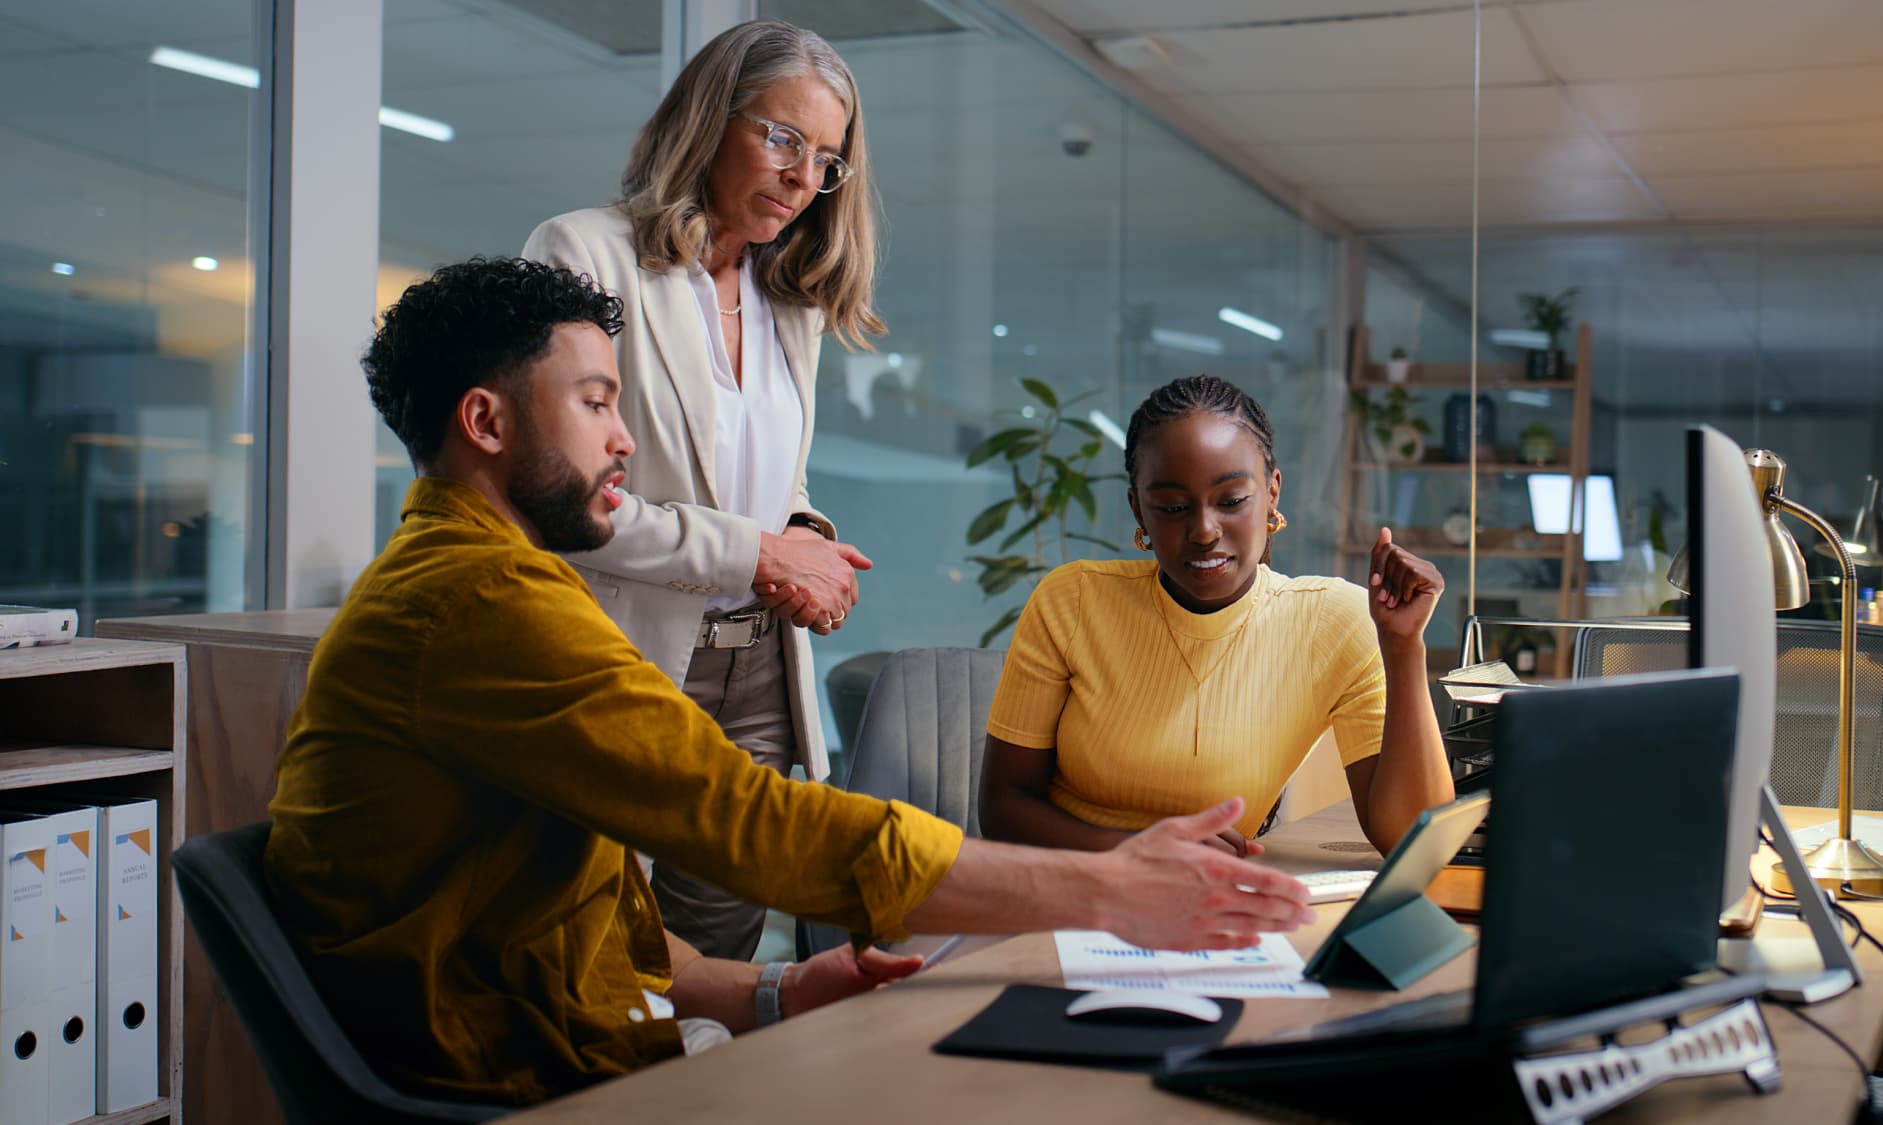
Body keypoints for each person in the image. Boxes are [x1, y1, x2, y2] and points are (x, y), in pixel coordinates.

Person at [265, 258, 1313, 1106]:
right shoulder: (478, 607)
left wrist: (772, 990)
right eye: (592, 402)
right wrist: (1111, 890)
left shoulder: (481, 586)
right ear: (487, 425)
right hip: (518, 1087)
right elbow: (751, 823)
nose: (624, 436)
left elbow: (576, 919)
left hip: (571, 1045)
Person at [521, 20, 877, 960]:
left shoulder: (785, 300)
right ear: (711, 119)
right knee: (604, 952)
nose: (804, 177)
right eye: (783, 138)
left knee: (720, 956)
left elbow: (773, 482)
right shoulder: (582, 254)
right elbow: (559, 500)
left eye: (827, 160)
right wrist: (759, 550)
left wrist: (805, 541)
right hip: (629, 653)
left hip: (759, 669)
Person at [978, 375, 1455, 859]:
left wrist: (1403, 647)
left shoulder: (1333, 622)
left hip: (1208, 911)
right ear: (1138, 511)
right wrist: (1139, 853)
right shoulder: (1073, 601)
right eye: (1172, 507)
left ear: (1272, 493)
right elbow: (1002, 808)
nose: (1204, 530)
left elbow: (1414, 844)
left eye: (1231, 502)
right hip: (1061, 896)